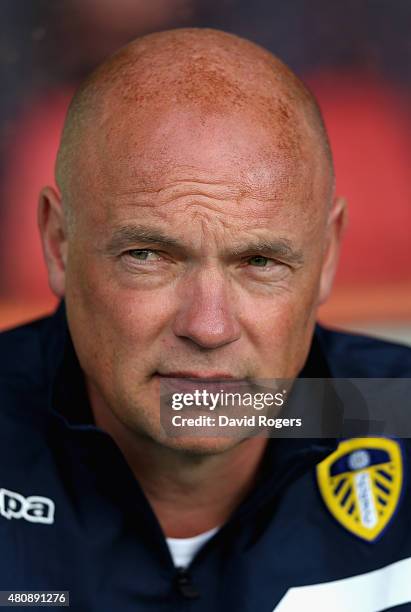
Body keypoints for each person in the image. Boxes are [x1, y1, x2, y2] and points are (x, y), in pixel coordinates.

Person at [0, 28, 410, 611]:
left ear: (327, 256)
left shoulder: (400, 409)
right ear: (58, 243)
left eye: (260, 261)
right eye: (148, 256)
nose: (209, 326)